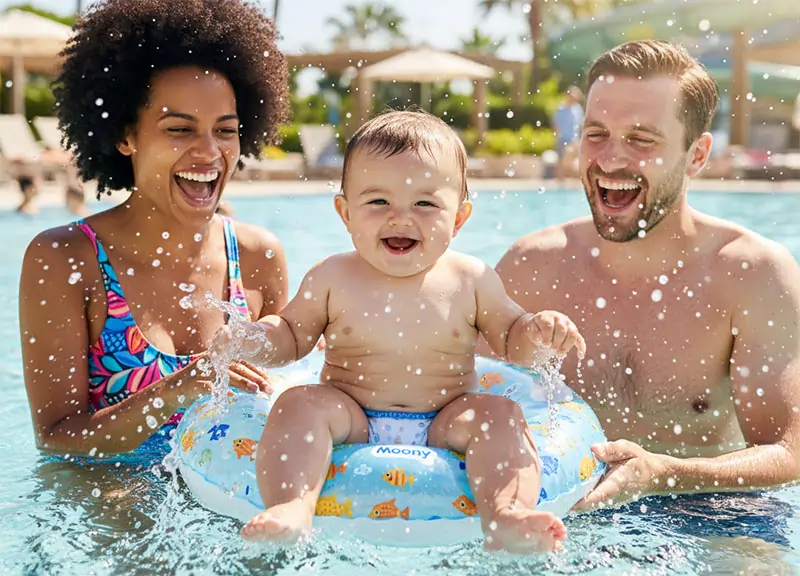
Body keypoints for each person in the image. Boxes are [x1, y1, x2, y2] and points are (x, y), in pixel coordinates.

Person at [211, 110, 586, 553]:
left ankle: (506, 514)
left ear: (459, 217)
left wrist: (538, 332)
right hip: (350, 416)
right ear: (345, 213)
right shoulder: (332, 276)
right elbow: (291, 336)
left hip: (447, 420)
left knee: (500, 415)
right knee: (299, 403)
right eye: (377, 202)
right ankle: (291, 507)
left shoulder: (471, 278)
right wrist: (253, 338)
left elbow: (510, 338)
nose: (401, 218)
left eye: (426, 204)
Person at [493, 40, 800, 510]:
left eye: (641, 139)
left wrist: (664, 474)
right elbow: (450, 399)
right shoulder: (532, 268)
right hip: (565, 515)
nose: (611, 159)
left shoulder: (750, 273)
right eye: (596, 133)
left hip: (712, 512)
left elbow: (789, 452)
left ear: (696, 155)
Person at [19, 0, 290, 459]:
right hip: (114, 511)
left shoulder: (258, 255)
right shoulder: (65, 258)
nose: (209, 152)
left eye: (225, 130)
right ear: (125, 136)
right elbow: (56, 439)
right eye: (180, 129)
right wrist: (173, 392)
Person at [551, 85, 584, 179]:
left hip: (574, 140)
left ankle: (564, 178)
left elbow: (580, 125)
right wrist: (556, 138)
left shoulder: (577, 109)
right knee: (562, 160)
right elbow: (556, 126)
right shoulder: (560, 110)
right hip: (563, 139)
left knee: (569, 160)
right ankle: (559, 181)